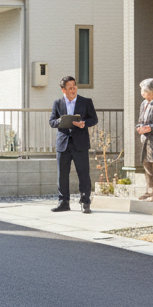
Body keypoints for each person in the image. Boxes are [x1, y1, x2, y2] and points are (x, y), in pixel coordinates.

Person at [48, 76, 98, 213]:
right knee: (62, 175)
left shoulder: (86, 102)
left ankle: (85, 202)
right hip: (63, 143)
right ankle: (64, 202)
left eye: (74, 86)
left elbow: (94, 119)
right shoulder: (57, 103)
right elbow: (51, 121)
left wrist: (84, 123)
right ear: (63, 90)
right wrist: (61, 121)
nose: (73, 89)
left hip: (80, 143)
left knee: (84, 174)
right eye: (69, 87)